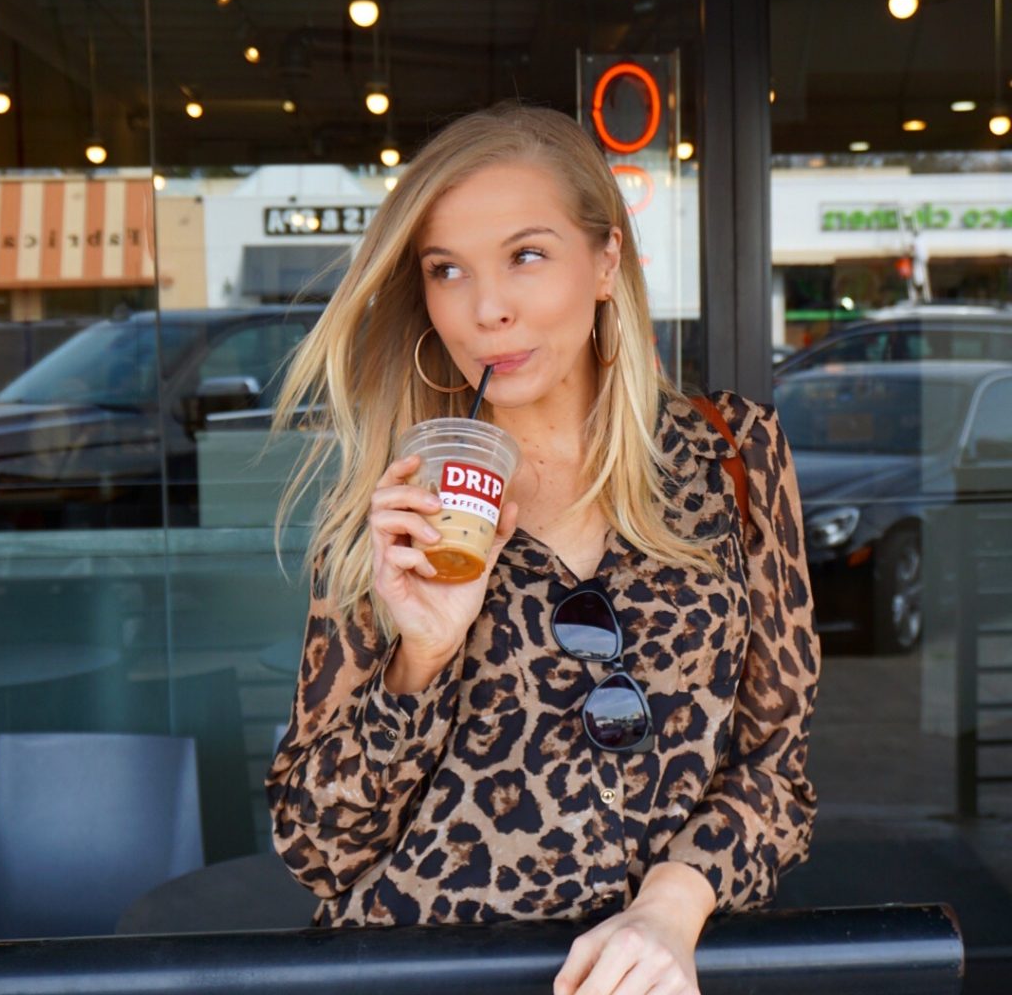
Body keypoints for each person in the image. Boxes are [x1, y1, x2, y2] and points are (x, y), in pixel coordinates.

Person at [266, 102, 820, 995]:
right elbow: (316, 846)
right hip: (432, 974)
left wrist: (673, 907)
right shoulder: (406, 494)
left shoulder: (733, 455)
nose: (487, 308)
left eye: (527, 255)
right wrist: (424, 657)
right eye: (447, 270)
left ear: (607, 260)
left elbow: (777, 774)